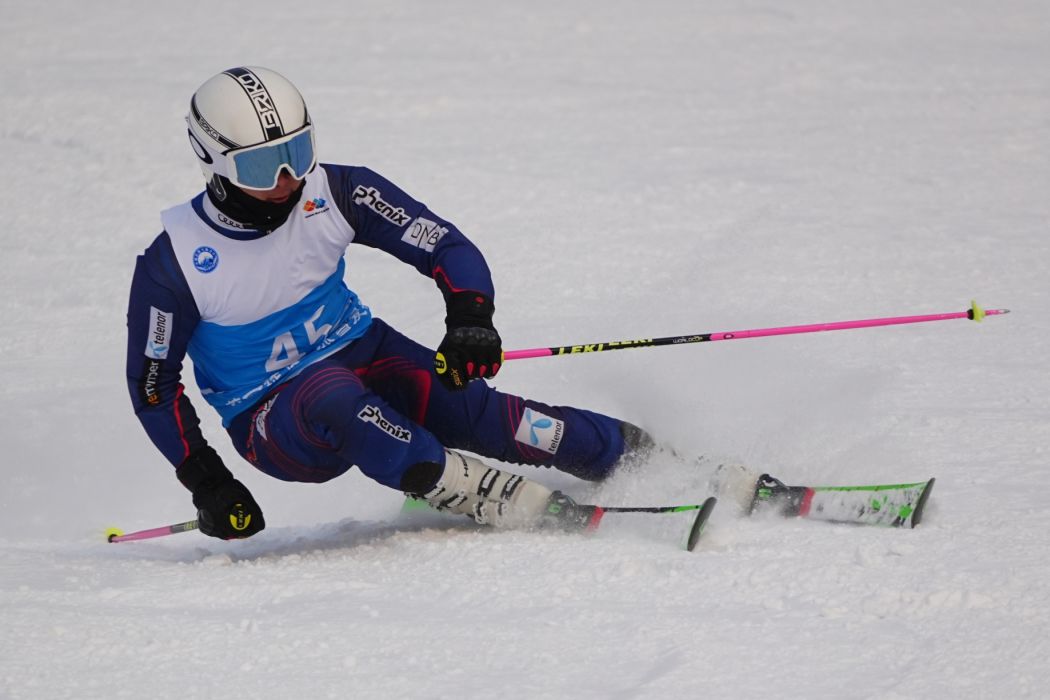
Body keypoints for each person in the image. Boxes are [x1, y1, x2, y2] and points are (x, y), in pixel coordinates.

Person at [126, 66, 653, 541]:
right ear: (212, 159)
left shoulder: (336, 190)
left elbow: (444, 245)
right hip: (270, 415)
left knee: (490, 416)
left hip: (363, 353)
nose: (287, 181)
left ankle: (653, 460)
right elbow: (155, 389)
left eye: (297, 153)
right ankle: (466, 486)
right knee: (331, 393)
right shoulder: (173, 265)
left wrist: (471, 318)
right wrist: (208, 481)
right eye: (263, 166)